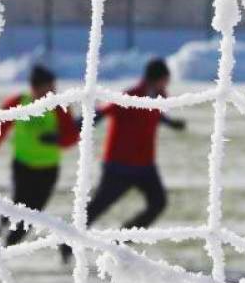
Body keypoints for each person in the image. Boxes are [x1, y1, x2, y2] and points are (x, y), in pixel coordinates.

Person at [60, 58, 185, 262]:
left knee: (158, 203)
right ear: (158, 78)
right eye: (166, 79)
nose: (168, 83)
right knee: (98, 206)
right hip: (120, 166)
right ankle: (68, 242)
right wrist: (72, 128)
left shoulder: (160, 95)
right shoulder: (130, 96)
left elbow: (155, 114)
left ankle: (120, 242)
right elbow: (101, 112)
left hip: (145, 166)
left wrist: (171, 123)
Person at [0, 65, 79, 255]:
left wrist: (57, 138)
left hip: (48, 170)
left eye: (54, 87)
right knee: (16, 205)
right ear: (36, 87)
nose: (53, 91)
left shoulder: (59, 106)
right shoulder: (18, 102)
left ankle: (6, 249)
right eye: (49, 87)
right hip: (22, 167)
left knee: (32, 214)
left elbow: (72, 137)